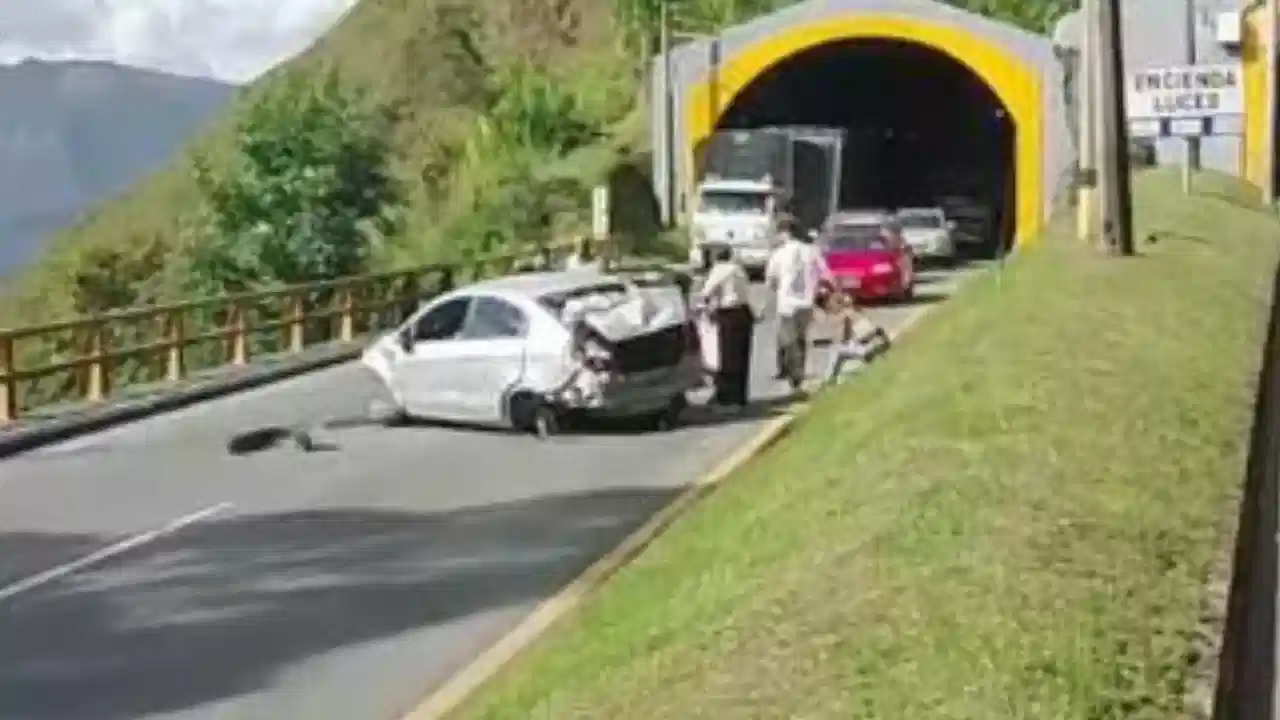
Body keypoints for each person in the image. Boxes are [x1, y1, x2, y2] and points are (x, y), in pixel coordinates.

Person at [764, 216, 832, 390]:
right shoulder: (812, 251)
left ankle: (794, 374)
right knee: (801, 337)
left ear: (785, 233)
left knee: (788, 339)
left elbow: (771, 279)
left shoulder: (779, 253)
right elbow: (825, 273)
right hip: (807, 302)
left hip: (787, 303)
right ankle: (799, 370)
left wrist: (776, 287)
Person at [698, 246, 755, 409]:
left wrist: (703, 306)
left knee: (729, 357)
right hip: (744, 312)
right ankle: (740, 396)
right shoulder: (738, 269)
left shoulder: (720, 269)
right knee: (742, 356)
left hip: (730, 313)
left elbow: (706, 292)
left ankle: (728, 398)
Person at [825, 290, 892, 383]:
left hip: (856, 345)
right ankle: (833, 378)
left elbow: (846, 334)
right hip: (858, 342)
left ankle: (832, 379)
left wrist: (841, 340)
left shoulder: (844, 315)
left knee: (841, 354)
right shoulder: (850, 312)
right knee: (842, 355)